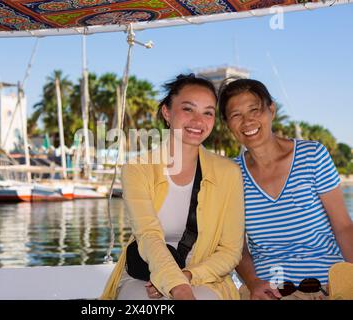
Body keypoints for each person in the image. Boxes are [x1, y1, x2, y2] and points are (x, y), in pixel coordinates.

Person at [100, 74, 245, 300]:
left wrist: (187, 276)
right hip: (145, 274)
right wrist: (176, 285)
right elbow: (148, 235)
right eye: (188, 109)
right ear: (167, 113)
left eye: (208, 112)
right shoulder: (138, 169)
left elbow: (230, 251)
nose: (199, 121)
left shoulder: (228, 173)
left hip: (205, 276)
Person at [217, 78, 353, 300]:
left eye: (254, 110)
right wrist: (253, 284)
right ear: (227, 123)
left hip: (329, 285)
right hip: (269, 291)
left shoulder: (312, 156)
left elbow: (344, 227)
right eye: (236, 115)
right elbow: (237, 248)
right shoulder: (232, 173)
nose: (247, 121)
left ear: (272, 110)